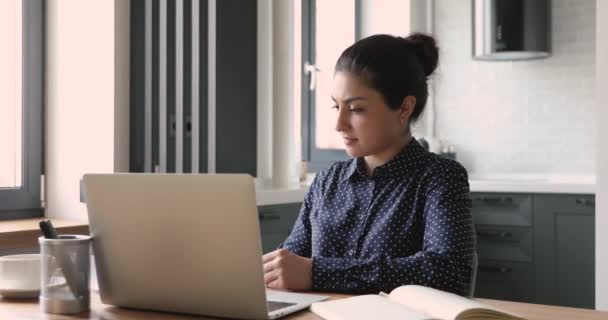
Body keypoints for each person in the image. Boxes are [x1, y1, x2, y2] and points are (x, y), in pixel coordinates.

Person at [262, 33, 476, 295]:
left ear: (405, 108)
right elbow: (291, 265)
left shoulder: (440, 178)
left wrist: (317, 272)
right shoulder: (326, 181)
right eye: (336, 107)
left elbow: (448, 271)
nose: (339, 124)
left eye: (355, 109)